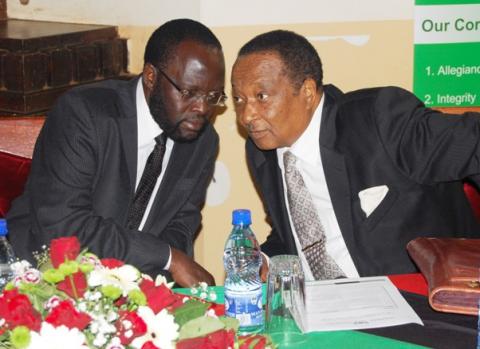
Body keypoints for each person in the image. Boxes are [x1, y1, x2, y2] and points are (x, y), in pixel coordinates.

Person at [231, 29, 480, 280]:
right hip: (318, 306)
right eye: (239, 99)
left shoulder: (380, 119)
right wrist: (262, 261)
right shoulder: (262, 152)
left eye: (261, 97)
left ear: (307, 91)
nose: (246, 116)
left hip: (414, 301)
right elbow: (291, 234)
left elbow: (473, 142)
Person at [7, 18, 226, 287]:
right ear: (151, 77)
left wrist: (153, 283)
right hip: (42, 278)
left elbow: (182, 223)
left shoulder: (201, 141)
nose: (203, 108)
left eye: (213, 96)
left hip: (132, 286)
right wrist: (167, 257)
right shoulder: (84, 115)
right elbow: (64, 230)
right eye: (189, 92)